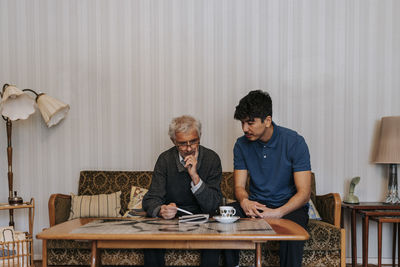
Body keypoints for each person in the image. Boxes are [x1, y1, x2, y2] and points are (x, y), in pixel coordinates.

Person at [231, 90, 311, 267]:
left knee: (293, 234)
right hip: (256, 205)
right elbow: (239, 186)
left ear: (267, 121)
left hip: (288, 206)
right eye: (242, 123)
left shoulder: (295, 142)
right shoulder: (241, 144)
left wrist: (278, 213)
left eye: (250, 123)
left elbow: (304, 193)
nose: (245, 128)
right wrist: (245, 202)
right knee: (225, 217)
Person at [143, 115, 232, 267]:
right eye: (182, 144)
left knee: (213, 241)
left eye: (194, 142)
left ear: (200, 137)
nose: (189, 148)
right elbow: (151, 198)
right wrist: (161, 210)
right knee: (150, 241)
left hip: (205, 218)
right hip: (173, 219)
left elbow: (214, 204)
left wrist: (195, 177)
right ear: (174, 141)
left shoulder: (212, 159)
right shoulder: (165, 160)